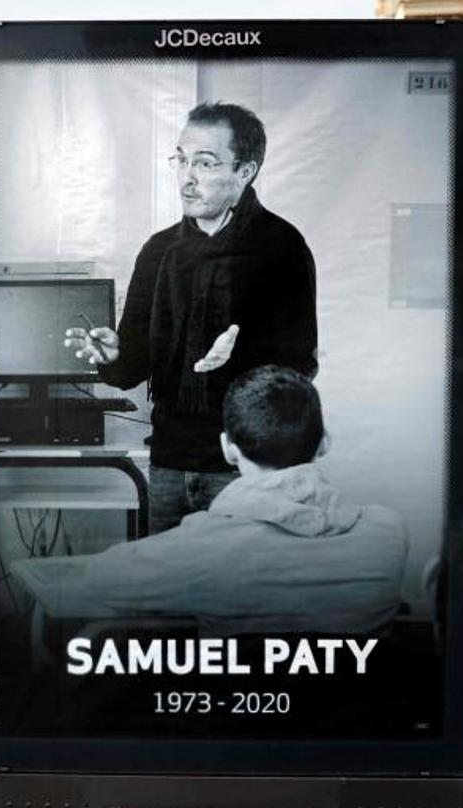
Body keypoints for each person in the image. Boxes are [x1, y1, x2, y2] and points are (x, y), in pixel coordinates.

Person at [65, 101, 318, 533]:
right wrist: (109, 354)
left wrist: (238, 361)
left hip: (245, 471)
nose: (187, 176)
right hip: (168, 465)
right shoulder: (158, 251)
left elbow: (301, 371)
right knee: (168, 597)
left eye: (204, 162)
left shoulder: (283, 248)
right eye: (181, 160)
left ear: (246, 171)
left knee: (238, 597)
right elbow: (129, 371)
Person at [10, 366, 408, 636]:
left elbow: (98, 582)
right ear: (325, 443)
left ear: (228, 449)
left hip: (237, 737)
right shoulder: (388, 534)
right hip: (342, 735)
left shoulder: (196, 548)